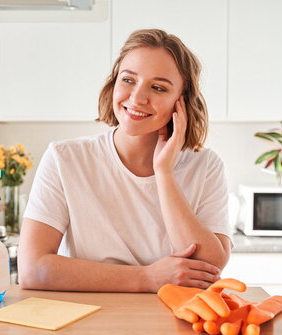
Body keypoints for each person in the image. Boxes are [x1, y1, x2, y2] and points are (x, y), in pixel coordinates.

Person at [18, 29, 231, 293]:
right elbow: (31, 269)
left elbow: (208, 267)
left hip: (174, 324)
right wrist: (147, 278)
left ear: (182, 103)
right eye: (128, 80)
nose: (137, 98)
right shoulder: (65, 159)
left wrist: (163, 173)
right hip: (87, 323)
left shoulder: (206, 167)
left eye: (158, 87)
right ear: (114, 83)